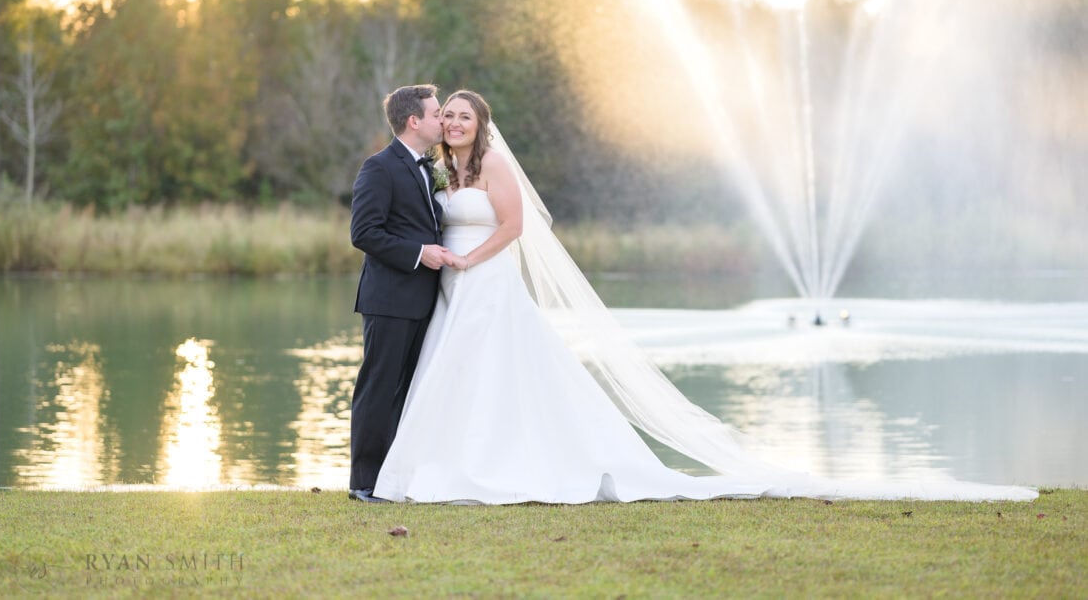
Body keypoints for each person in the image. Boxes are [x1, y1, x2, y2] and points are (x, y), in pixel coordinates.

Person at [370, 90, 1038, 504]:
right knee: (453, 377)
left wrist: (465, 257)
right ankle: (444, 465)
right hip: (454, 293)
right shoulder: (441, 170)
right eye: (446, 115)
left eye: (463, 115)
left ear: (480, 123)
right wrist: (445, 261)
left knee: (502, 375)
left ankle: (508, 466)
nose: (453, 122)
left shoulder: (496, 166)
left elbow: (513, 228)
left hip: (486, 285)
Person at [347, 83, 461, 503]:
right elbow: (364, 233)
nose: (442, 120)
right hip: (389, 300)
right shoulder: (379, 167)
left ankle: (395, 478)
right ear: (414, 121)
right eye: (436, 114)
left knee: (409, 391)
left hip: (425, 300)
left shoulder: (429, 167)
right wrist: (419, 253)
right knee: (379, 388)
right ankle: (364, 483)